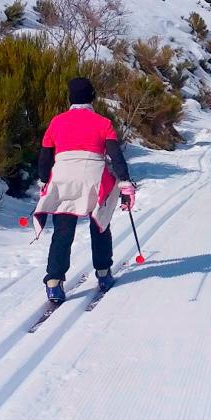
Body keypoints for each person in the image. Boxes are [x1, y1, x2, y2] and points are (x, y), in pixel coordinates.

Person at [34, 77, 135, 303]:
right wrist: (125, 182)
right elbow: (115, 156)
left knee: (63, 229)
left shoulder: (56, 122)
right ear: (92, 97)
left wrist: (44, 180)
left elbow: (44, 157)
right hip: (93, 178)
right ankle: (103, 273)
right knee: (100, 223)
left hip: (63, 178)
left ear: (70, 98)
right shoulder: (103, 122)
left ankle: (54, 283)